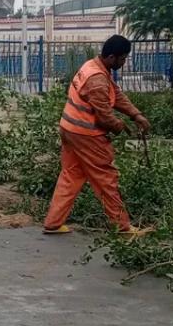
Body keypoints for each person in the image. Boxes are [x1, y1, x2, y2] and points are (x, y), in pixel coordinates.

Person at [43, 35, 152, 240]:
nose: (124, 62)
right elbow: (104, 117)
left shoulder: (93, 66)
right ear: (112, 57)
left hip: (69, 129)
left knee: (71, 175)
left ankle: (53, 222)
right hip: (86, 135)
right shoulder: (97, 79)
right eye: (123, 59)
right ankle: (122, 227)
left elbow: (116, 95)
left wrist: (135, 114)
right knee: (106, 179)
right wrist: (122, 126)